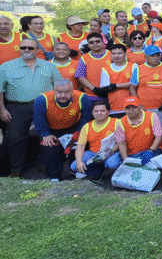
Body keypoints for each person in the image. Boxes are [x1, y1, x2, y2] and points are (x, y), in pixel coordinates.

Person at [0, 38, 62, 176]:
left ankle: (42, 164)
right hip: (17, 107)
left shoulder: (49, 66)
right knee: (15, 138)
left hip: (44, 105)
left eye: (30, 48)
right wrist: (2, 110)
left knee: (45, 136)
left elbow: (59, 86)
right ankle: (15, 169)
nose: (27, 50)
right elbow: (0, 90)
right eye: (23, 47)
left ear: (37, 49)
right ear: (19, 49)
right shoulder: (6, 67)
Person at [32, 79, 92, 181]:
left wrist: (79, 132)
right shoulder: (42, 99)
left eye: (67, 92)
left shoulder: (82, 97)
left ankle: (76, 170)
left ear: (72, 90)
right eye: (59, 92)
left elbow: (86, 118)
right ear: (54, 90)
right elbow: (38, 119)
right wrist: (45, 134)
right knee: (50, 146)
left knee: (79, 144)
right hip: (51, 129)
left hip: (73, 126)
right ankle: (54, 176)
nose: (63, 95)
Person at [104, 97, 162, 170]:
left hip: (150, 150)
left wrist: (151, 150)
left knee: (154, 166)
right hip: (131, 153)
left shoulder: (152, 116)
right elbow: (121, 143)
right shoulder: (121, 122)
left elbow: (159, 135)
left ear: (140, 107)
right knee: (111, 163)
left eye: (134, 107)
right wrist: (126, 160)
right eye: (128, 108)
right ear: (124, 109)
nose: (131, 111)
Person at [130, 45, 162, 137]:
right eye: (152, 55)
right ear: (145, 56)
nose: (156, 58)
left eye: (158, 55)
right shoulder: (138, 69)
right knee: (146, 134)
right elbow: (132, 88)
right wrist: (138, 104)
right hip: (145, 109)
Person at [71, 100, 117, 180]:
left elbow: (122, 142)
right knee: (74, 166)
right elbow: (80, 146)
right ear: (92, 112)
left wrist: (108, 153)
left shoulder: (117, 122)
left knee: (112, 163)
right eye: (96, 111)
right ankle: (97, 170)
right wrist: (79, 162)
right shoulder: (86, 126)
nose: (99, 113)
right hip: (93, 154)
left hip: (111, 152)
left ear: (108, 112)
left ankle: (108, 175)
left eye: (102, 111)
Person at [98, 44, 137, 117]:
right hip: (114, 108)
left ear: (125, 54)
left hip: (133, 107)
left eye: (119, 53)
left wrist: (116, 85)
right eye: (114, 53)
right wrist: (126, 84)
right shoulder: (105, 69)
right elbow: (106, 87)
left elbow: (136, 84)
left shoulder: (134, 66)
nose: (116, 56)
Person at [75, 32, 111, 103]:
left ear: (103, 42)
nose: (95, 44)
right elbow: (80, 76)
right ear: (88, 45)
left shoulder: (111, 54)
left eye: (97, 41)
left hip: (111, 94)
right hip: (91, 95)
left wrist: (110, 88)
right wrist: (94, 89)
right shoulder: (84, 58)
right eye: (91, 42)